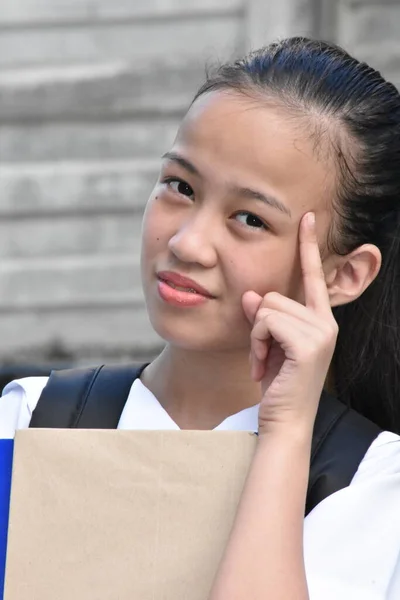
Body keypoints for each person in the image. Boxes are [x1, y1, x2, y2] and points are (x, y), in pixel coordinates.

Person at [2, 37, 400, 599]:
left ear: (344, 275)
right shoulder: (30, 420)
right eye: (180, 187)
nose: (189, 243)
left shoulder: (372, 487)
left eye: (249, 218)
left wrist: (285, 435)